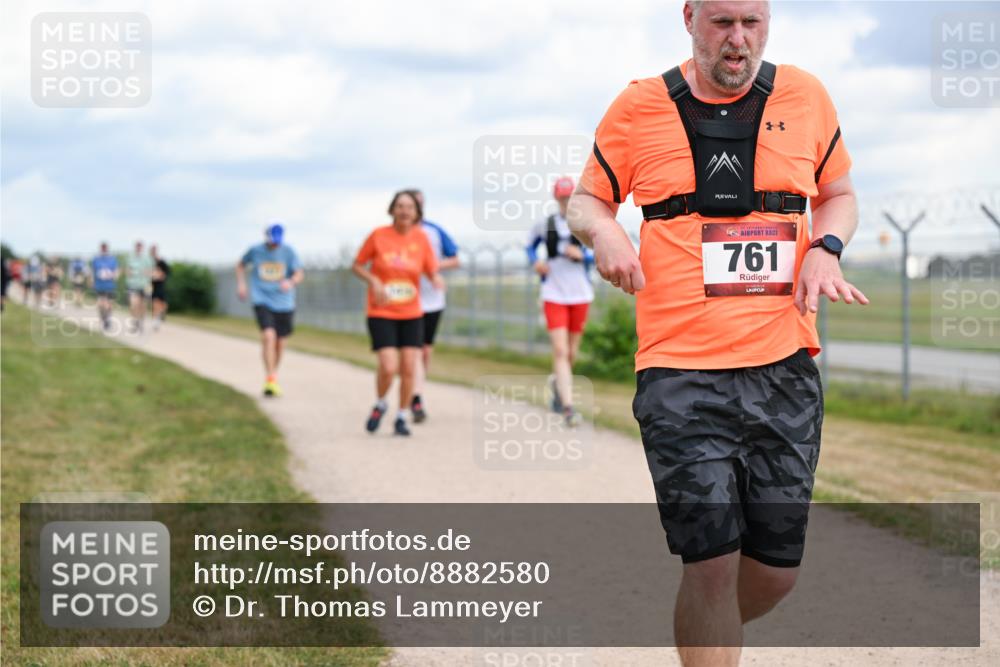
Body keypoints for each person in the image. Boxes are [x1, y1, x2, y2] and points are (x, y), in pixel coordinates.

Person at [568, 2, 868, 665]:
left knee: (775, 571)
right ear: (690, 18)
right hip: (679, 372)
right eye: (722, 22)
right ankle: (705, 621)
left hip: (783, 365)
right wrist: (608, 231)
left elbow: (839, 192)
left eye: (752, 22)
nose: (738, 39)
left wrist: (827, 245)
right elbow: (586, 199)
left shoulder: (807, 95)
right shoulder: (639, 105)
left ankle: (704, 624)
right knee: (711, 566)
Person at [352, 190, 443, 437]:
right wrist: (374, 281)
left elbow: (430, 268)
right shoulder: (378, 236)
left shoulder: (421, 238)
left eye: (410, 207)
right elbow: (357, 265)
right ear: (392, 210)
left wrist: (435, 278)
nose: (404, 211)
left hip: (412, 311)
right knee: (389, 365)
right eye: (400, 206)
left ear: (416, 213)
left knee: (409, 367)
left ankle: (402, 415)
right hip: (381, 310)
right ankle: (381, 402)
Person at [526, 176, 594, 427]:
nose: (566, 202)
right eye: (562, 198)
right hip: (553, 292)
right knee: (560, 350)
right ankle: (568, 407)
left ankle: (557, 384)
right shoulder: (545, 225)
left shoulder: (585, 223)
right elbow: (529, 248)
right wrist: (536, 263)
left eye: (570, 197)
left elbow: (599, 252)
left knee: (572, 352)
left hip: (580, 293)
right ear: (556, 198)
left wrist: (583, 256)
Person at [407, 189, 460, 423]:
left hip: (433, 300)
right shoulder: (399, 234)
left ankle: (416, 387)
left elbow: (455, 258)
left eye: (418, 204)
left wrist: (433, 266)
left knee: (425, 351)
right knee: (415, 350)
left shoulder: (434, 231)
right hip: (407, 301)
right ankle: (415, 397)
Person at [236, 222, 304, 397]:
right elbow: (241, 264)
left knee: (280, 343)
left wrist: (291, 282)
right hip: (262, 299)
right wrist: (242, 284)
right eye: (272, 241)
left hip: (284, 302)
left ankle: (273, 374)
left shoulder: (289, 252)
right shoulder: (256, 250)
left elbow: (299, 273)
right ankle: (270, 378)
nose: (275, 244)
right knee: (268, 336)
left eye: (277, 241)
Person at [125, 241, 153, 333]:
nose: (138, 248)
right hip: (133, 285)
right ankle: (135, 321)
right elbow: (127, 270)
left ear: (142, 248)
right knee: (133, 305)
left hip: (144, 285)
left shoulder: (148, 259)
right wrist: (129, 274)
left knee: (143, 306)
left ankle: (141, 321)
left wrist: (148, 279)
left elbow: (151, 271)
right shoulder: (130, 258)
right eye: (137, 246)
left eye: (140, 246)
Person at [91, 242, 119, 331]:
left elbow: (116, 271)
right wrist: (92, 281)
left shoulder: (112, 259)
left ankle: (108, 319)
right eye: (102, 248)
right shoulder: (96, 259)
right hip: (99, 285)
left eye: (105, 248)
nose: (104, 250)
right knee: (100, 304)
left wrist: (112, 275)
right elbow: (92, 271)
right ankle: (103, 318)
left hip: (109, 285)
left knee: (108, 304)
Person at [150, 244, 171, 330]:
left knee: (163, 304)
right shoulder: (149, 262)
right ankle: (156, 321)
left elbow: (167, 272)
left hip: (161, 286)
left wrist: (161, 276)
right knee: (155, 303)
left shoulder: (161, 262)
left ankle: (161, 314)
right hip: (153, 286)